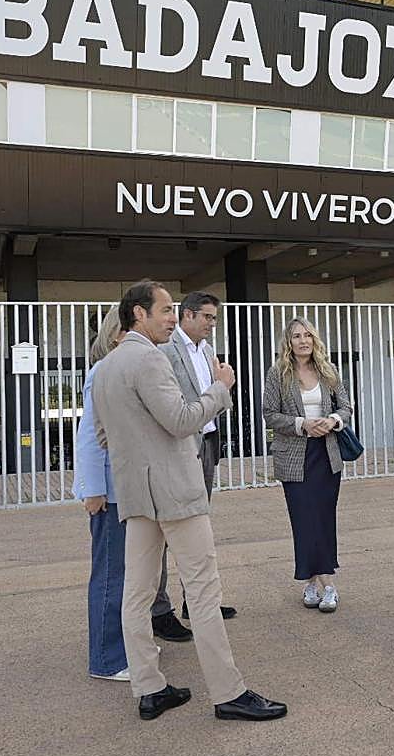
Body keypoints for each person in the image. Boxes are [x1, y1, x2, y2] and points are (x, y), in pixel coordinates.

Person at [94, 280, 286, 722]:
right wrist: (220, 389)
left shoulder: (105, 368)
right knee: (202, 590)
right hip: (176, 495)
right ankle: (228, 693)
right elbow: (182, 421)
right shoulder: (150, 359)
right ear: (138, 314)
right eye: (164, 310)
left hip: (136, 497)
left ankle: (149, 688)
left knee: (136, 594)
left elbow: (105, 437)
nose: (170, 319)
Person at [155, 290, 236, 630]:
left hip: (207, 443)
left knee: (198, 527)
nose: (211, 324)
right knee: (167, 528)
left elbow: (217, 398)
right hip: (179, 448)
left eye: (214, 318)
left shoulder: (207, 353)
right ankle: (159, 609)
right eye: (206, 317)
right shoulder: (165, 352)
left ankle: (198, 602)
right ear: (186, 315)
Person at [262, 317, 352, 613]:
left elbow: (346, 406)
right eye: (296, 336)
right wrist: (302, 424)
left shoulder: (329, 371)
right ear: (288, 342)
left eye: (307, 335)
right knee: (304, 519)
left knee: (324, 519)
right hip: (294, 457)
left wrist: (333, 420)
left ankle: (312, 583)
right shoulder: (278, 374)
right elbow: (270, 414)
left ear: (314, 339)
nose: (302, 341)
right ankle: (329, 586)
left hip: (326, 455)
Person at [73, 309, 130, 682]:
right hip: (108, 493)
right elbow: (90, 438)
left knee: (127, 575)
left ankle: (125, 645)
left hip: (125, 490)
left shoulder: (122, 372)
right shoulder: (102, 374)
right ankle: (107, 659)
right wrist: (93, 489)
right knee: (110, 574)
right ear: (115, 335)